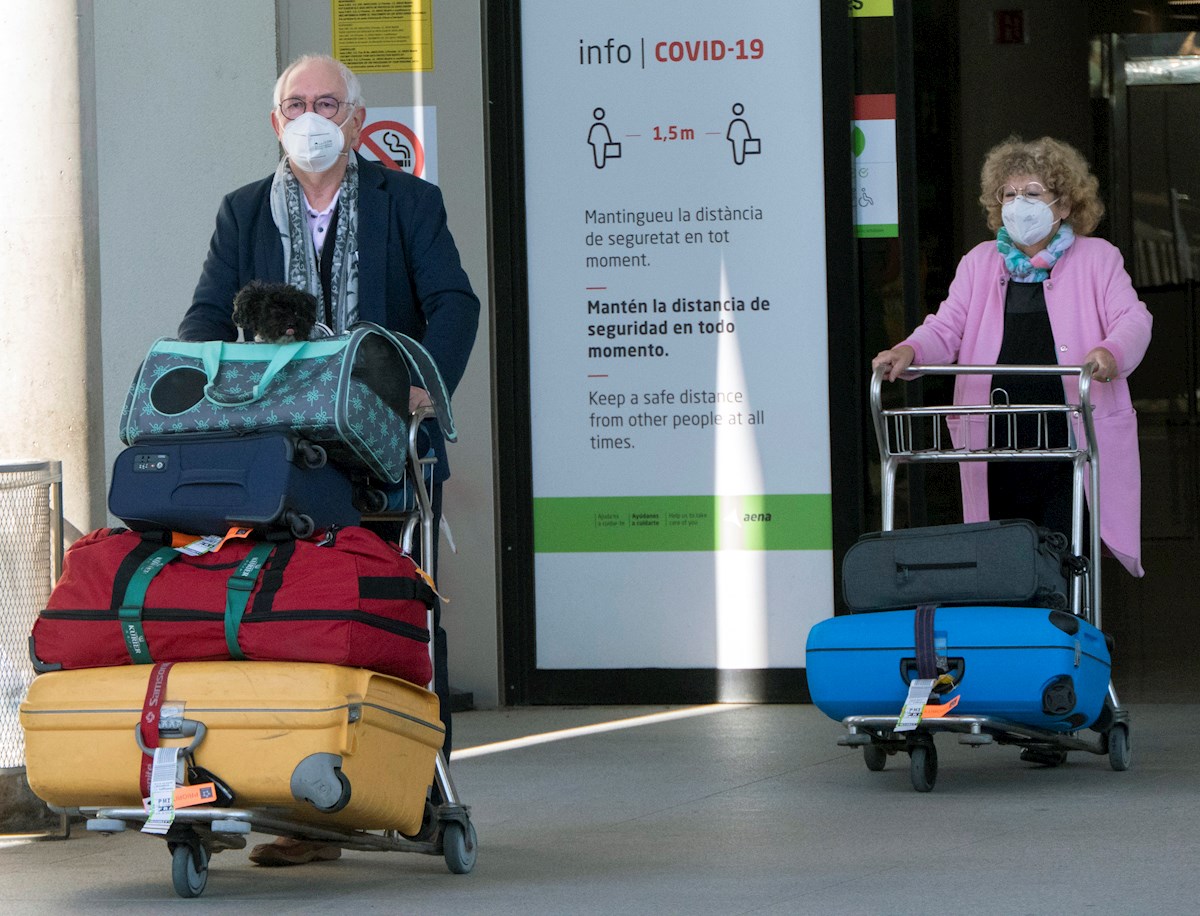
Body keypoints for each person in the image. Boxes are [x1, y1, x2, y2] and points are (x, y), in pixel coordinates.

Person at [179, 53, 480, 866]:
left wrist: (423, 384)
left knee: (398, 616)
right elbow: (208, 314)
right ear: (275, 121)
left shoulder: (407, 202)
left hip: (385, 449)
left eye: (327, 103)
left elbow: (454, 302)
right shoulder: (244, 213)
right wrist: (197, 384)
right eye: (295, 104)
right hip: (280, 454)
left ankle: (415, 788)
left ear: (355, 119)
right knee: (285, 616)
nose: (311, 116)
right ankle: (305, 812)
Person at [872, 135, 1152, 578]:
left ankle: (1062, 640)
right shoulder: (979, 263)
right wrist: (909, 350)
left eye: (1033, 193)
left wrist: (1110, 352)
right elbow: (946, 327)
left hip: (1070, 442)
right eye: (1009, 194)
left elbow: (1133, 319)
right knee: (1002, 562)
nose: (1018, 204)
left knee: (1066, 559)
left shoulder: (1099, 259)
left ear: (1063, 205)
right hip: (995, 441)